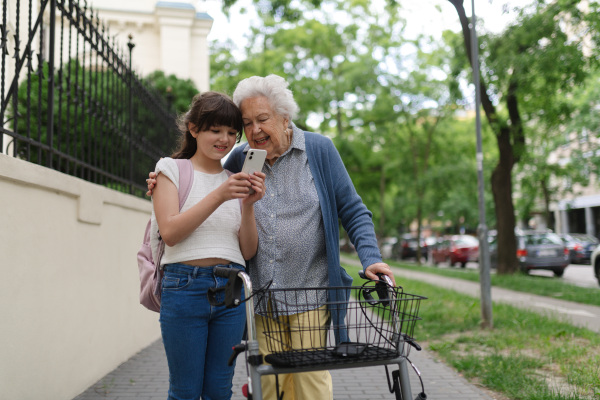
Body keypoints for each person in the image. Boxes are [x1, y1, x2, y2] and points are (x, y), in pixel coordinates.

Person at [148, 76, 395, 400]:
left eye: (262, 120)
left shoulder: (318, 151)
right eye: (247, 123)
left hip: (310, 292)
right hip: (262, 297)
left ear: (284, 117)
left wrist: (371, 258)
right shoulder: (241, 159)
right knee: (271, 387)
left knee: (309, 385)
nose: (255, 131)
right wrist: (161, 178)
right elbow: (205, 181)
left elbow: (353, 209)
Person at [151, 91, 266, 400]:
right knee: (185, 391)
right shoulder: (170, 170)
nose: (224, 139)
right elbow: (171, 232)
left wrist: (249, 205)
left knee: (218, 390)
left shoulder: (234, 180)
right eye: (215, 129)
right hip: (184, 286)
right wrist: (220, 195)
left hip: (231, 290)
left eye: (232, 132)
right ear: (194, 129)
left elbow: (247, 251)